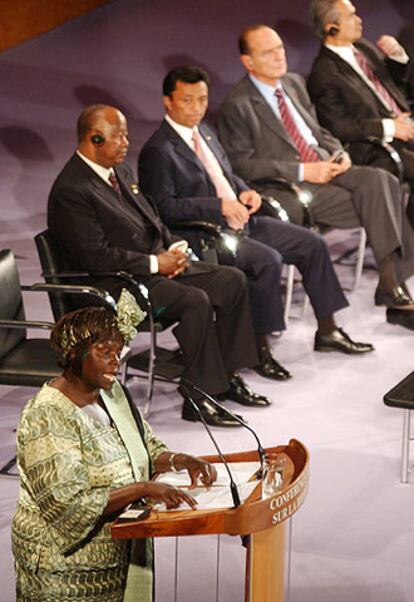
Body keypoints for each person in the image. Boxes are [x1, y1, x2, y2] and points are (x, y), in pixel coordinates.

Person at [47, 104, 273, 428]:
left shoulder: (119, 171)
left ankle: (226, 376)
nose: (126, 142)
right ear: (93, 139)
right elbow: (94, 257)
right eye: (118, 136)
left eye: (126, 134)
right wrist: (155, 263)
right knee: (193, 301)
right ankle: (199, 397)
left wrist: (173, 247)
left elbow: (151, 218)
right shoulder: (73, 190)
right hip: (113, 288)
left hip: (147, 272)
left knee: (231, 280)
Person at [138, 64, 374, 366]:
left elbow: (226, 176)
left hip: (241, 220)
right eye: (187, 100)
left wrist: (246, 191)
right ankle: (260, 348)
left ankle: (328, 330)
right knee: (266, 260)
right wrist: (219, 206)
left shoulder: (205, 133)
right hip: (206, 234)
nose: (196, 108)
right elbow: (163, 208)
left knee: (312, 244)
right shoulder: (158, 150)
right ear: (167, 101)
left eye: (202, 99)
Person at [12, 294, 217, 602]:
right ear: (74, 354)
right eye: (104, 351)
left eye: (118, 352)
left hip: (116, 551)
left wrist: (179, 460)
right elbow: (67, 506)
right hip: (63, 570)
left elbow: (144, 446)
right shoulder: (48, 415)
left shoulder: (112, 393)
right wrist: (142, 489)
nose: (115, 360)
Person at [217, 24, 414, 331]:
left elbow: (319, 131)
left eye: (280, 48)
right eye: (268, 52)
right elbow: (243, 164)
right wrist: (303, 171)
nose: (279, 56)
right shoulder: (237, 106)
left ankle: (390, 282)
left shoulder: (294, 83)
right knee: (379, 194)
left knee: (381, 180)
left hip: (328, 167)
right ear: (248, 61)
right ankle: (393, 285)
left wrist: (338, 152)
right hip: (293, 185)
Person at [307, 0, 414, 226]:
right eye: (351, 16)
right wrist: (390, 126)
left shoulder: (363, 47)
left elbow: (393, 85)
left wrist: (397, 58)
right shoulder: (323, 73)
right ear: (331, 27)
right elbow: (338, 127)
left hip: (404, 126)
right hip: (375, 147)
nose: (359, 20)